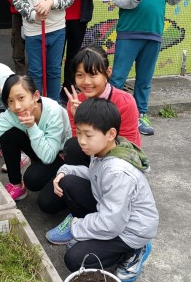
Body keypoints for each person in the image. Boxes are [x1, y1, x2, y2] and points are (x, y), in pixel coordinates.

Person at [45, 98, 158, 282]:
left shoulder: (117, 172)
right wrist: (64, 171)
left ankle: (134, 252)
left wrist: (77, 227)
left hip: (131, 230)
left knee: (74, 259)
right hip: (114, 215)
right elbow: (92, 174)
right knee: (68, 182)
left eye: (88, 135)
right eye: (79, 133)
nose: (81, 141)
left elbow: (112, 225)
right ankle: (92, 235)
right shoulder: (103, 151)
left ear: (111, 134)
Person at [37, 46, 140, 214]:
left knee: (74, 146)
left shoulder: (125, 102)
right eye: (80, 75)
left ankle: (82, 209)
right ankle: (78, 192)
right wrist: (78, 120)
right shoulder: (75, 102)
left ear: (108, 72)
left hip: (114, 169)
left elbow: (130, 149)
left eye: (93, 74)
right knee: (46, 203)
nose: (86, 82)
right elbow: (79, 146)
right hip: (86, 166)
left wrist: (89, 123)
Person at [110, 0, 191, 135]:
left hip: (154, 31)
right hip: (129, 31)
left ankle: (140, 114)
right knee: (117, 78)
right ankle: (109, 115)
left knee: (145, 79)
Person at [0, 75, 71, 201]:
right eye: (10, 101)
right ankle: (16, 185)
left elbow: (48, 157)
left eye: (21, 98)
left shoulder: (53, 111)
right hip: (38, 148)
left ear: (35, 96)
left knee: (33, 180)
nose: (17, 106)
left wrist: (32, 127)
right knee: (9, 133)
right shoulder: (12, 114)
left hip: (58, 155)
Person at [11, 0, 75, 101]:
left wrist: (52, 3)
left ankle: (53, 105)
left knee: (54, 70)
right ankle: (38, 104)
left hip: (57, 27)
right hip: (33, 30)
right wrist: (33, 14)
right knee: (36, 71)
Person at [54, 0, 101, 105]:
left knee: (73, 57)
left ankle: (67, 90)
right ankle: (52, 91)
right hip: (56, 14)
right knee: (55, 56)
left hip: (79, 15)